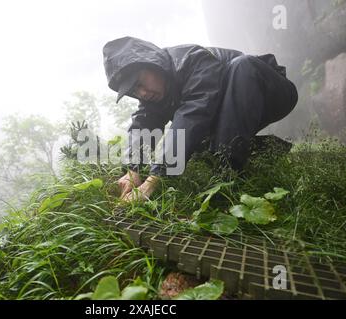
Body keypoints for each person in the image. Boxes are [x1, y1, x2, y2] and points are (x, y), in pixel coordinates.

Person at [102, 36, 298, 202]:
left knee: (242, 65)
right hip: (229, 110)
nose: (142, 93)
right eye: (135, 90)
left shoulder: (192, 60)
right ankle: (260, 153)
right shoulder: (154, 94)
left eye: (140, 82)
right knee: (202, 145)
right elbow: (143, 123)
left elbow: (192, 115)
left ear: (151, 62)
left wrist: (154, 180)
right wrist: (133, 171)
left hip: (271, 90)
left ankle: (226, 180)